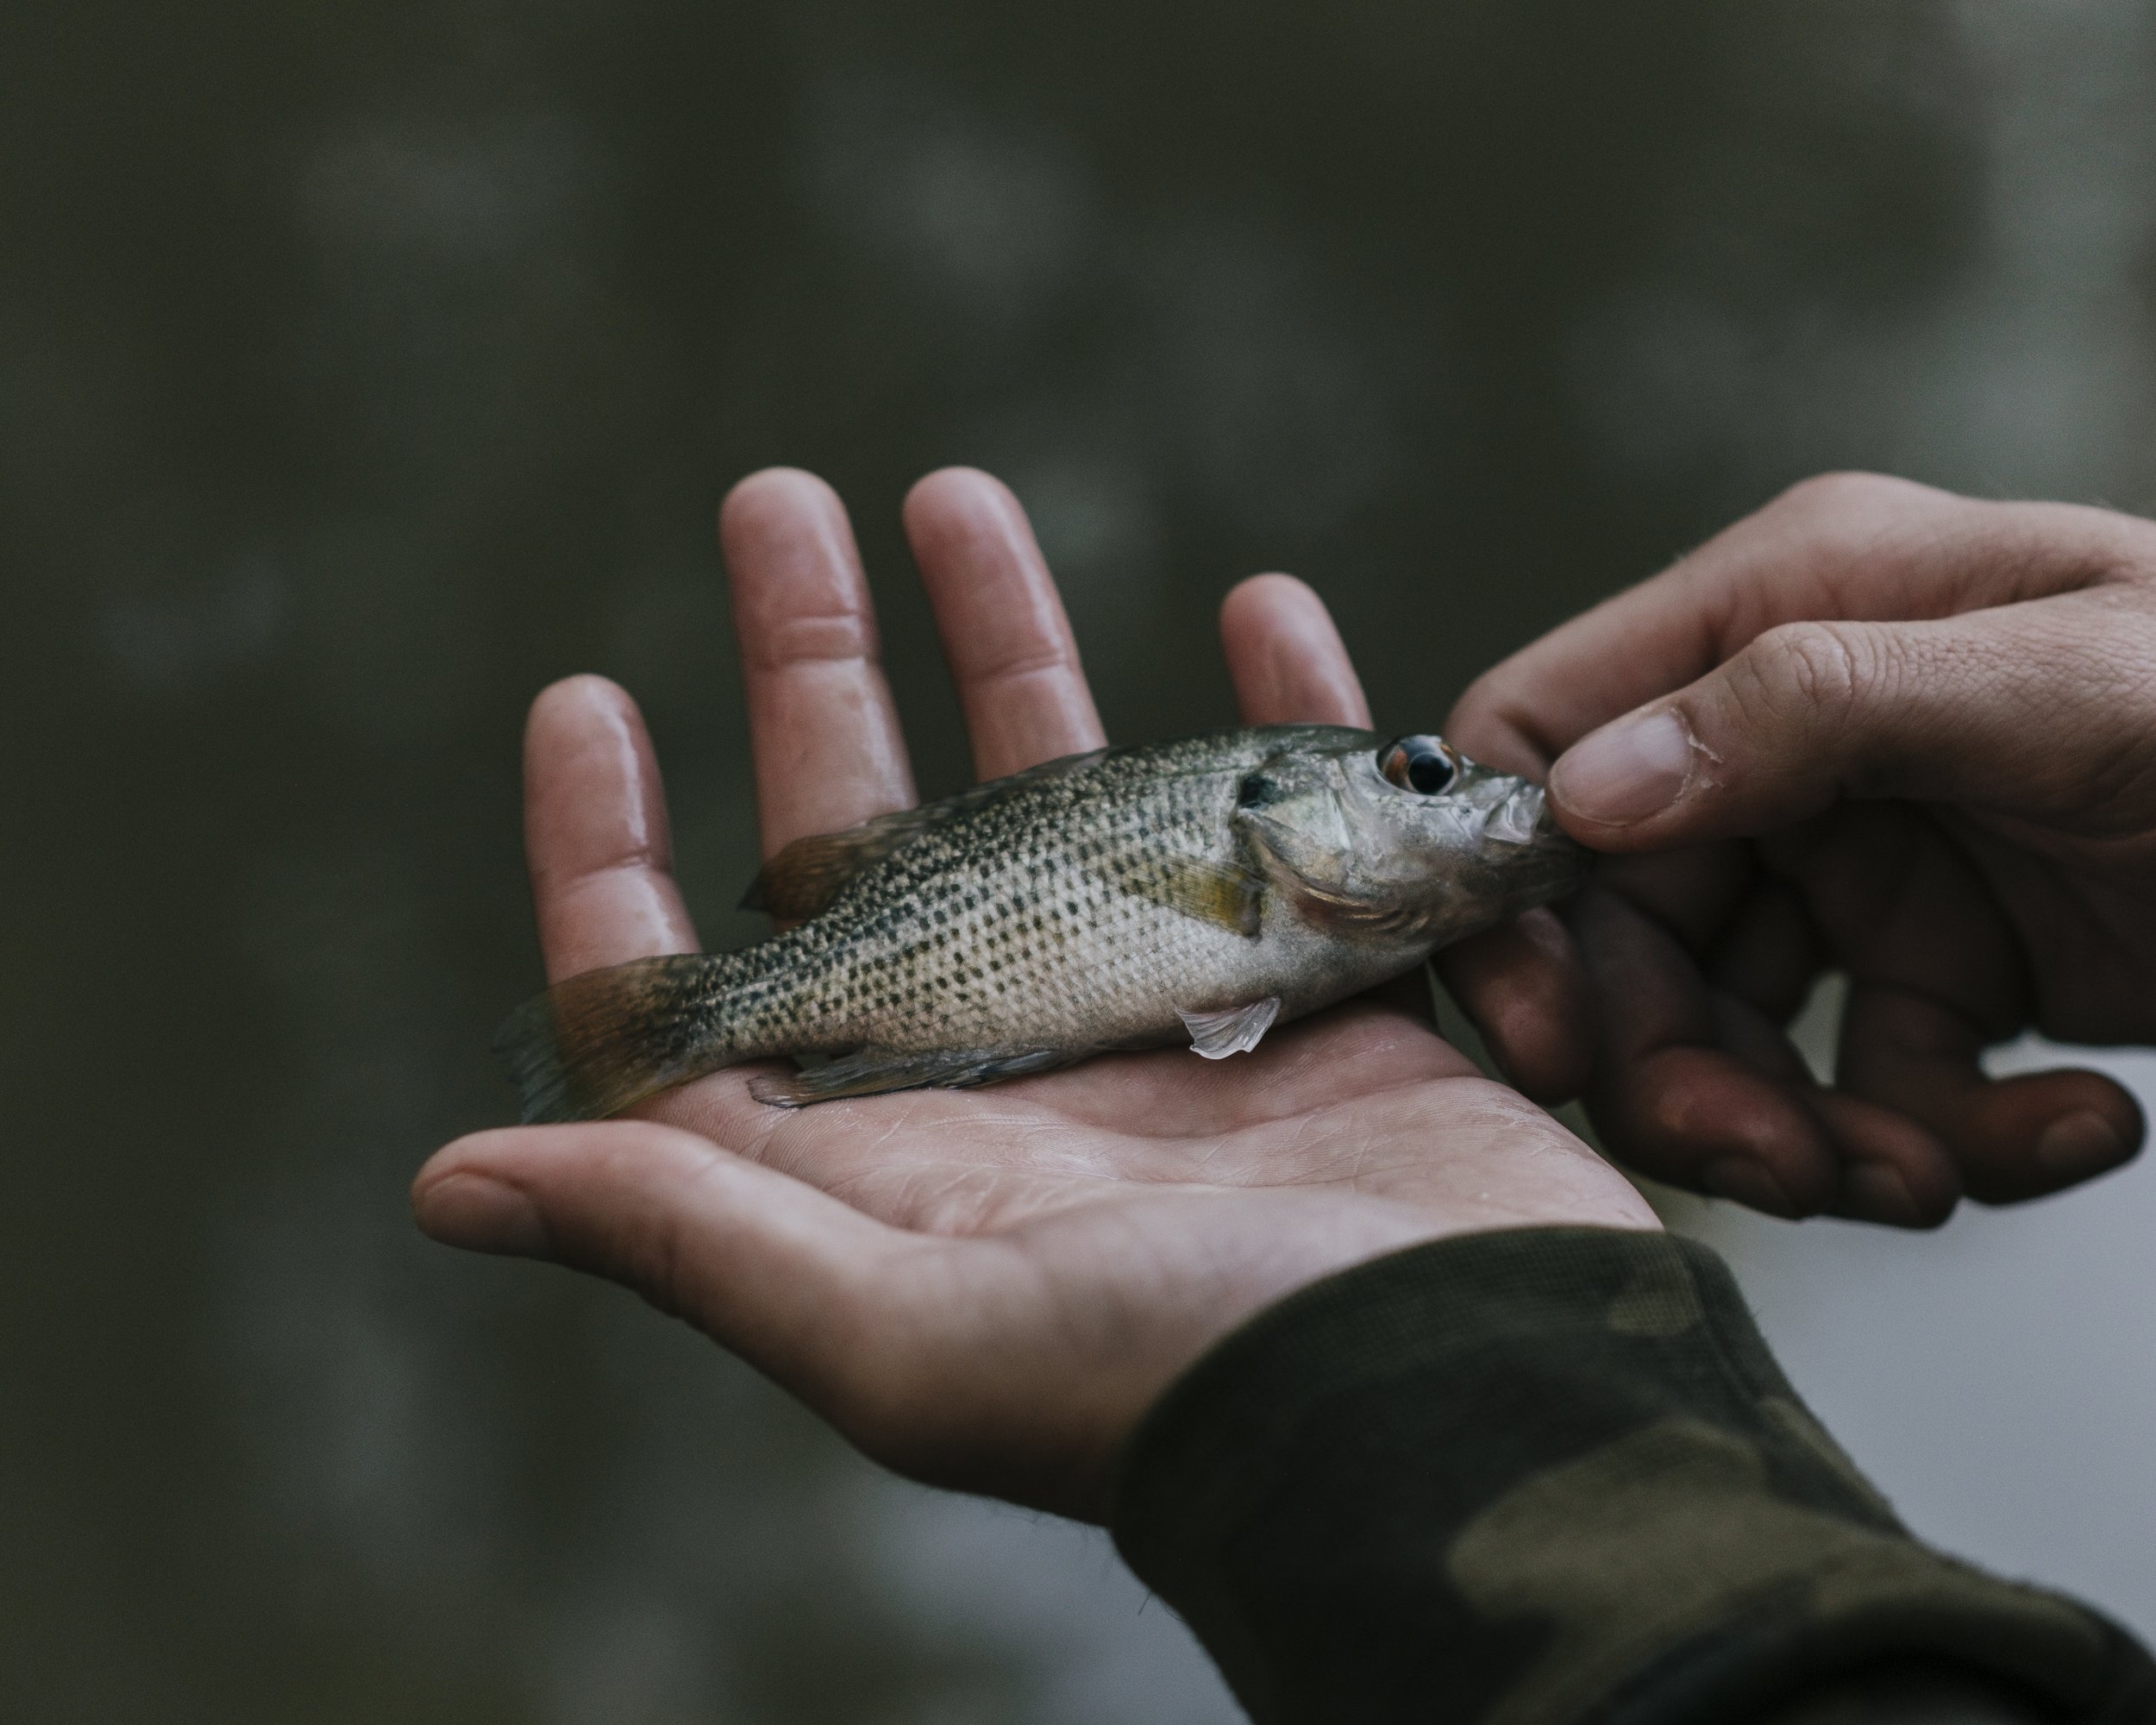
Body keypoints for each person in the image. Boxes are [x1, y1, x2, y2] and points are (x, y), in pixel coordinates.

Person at [412, 467, 2156, 1722]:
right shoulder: (1255, 889)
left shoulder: (1346, 911)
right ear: (1278, 819)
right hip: (923, 984)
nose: (1466, 793)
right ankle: (666, 1024)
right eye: (1416, 776)